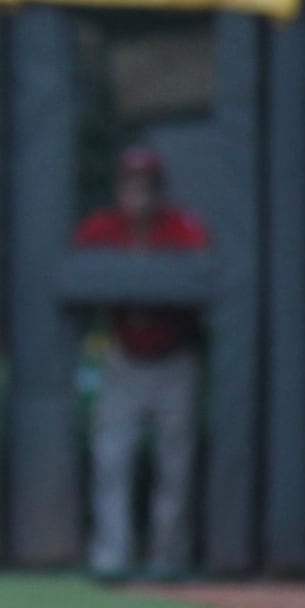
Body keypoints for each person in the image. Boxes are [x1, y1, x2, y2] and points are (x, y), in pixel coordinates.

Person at [75, 145, 211, 582]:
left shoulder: (180, 228)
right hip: (124, 359)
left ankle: (168, 557)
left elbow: (207, 265)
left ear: (159, 190)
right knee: (112, 459)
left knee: (176, 466)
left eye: (146, 187)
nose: (138, 196)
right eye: (130, 186)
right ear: (118, 189)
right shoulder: (102, 228)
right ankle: (111, 556)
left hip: (175, 358)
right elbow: (74, 267)